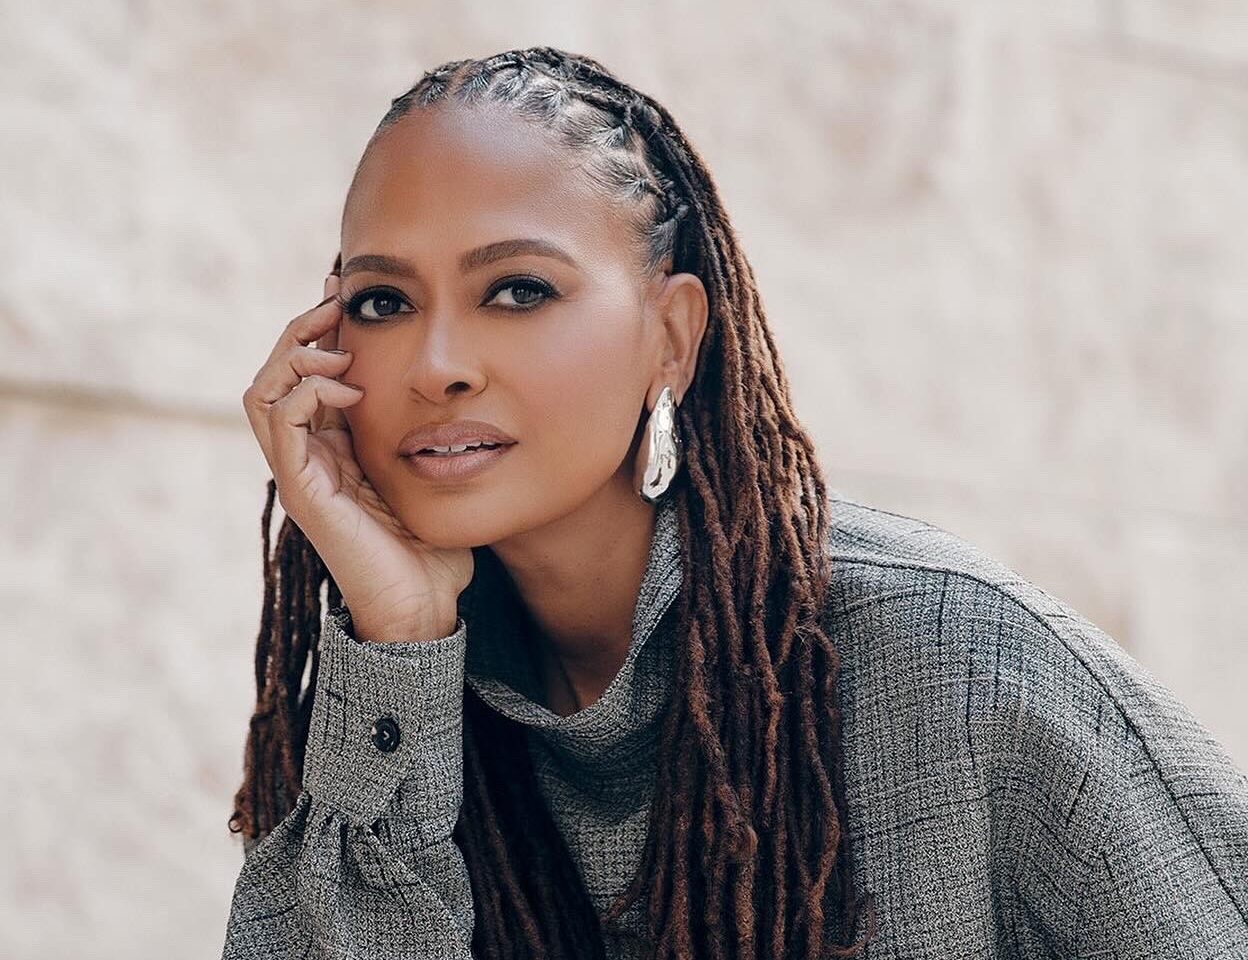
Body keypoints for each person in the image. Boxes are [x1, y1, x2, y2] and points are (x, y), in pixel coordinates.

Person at [220, 47, 1248, 960]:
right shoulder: (393, 706)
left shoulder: (960, 666)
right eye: (382, 302)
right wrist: (399, 639)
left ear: (671, 336)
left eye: (518, 290)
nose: (435, 364)